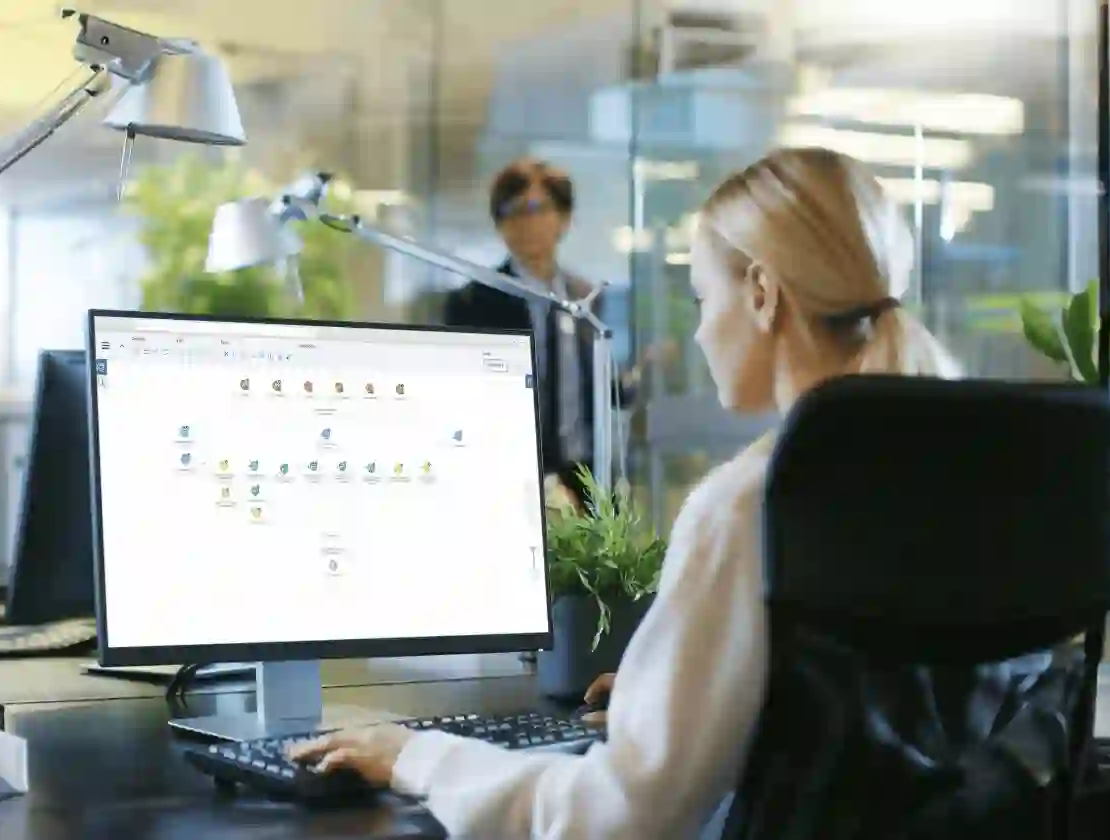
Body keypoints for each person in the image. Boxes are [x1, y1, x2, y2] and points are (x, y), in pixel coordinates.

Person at [289, 147, 964, 838]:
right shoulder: (955, 475)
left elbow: (617, 819)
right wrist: (687, 702)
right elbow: (870, 718)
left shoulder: (750, 506)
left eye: (704, 298)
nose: (700, 330)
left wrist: (417, 756)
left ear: (761, 294)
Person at [442, 159, 660, 510]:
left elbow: (606, 388)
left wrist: (646, 371)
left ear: (563, 218)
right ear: (500, 224)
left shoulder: (585, 296)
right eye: (511, 211)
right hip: (509, 474)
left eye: (536, 208)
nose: (525, 222)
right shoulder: (473, 301)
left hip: (585, 473)